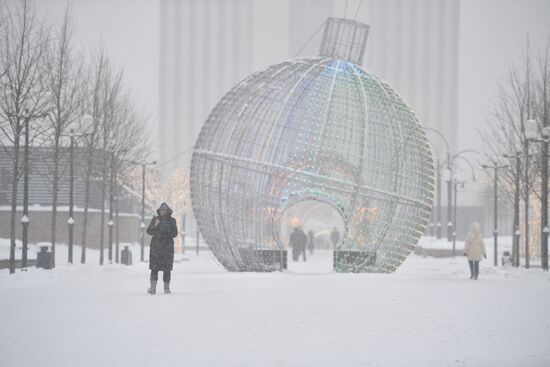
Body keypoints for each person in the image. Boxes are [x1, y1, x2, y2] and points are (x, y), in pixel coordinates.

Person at [146, 202, 178, 294]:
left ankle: (166, 289)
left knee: (167, 269)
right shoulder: (155, 219)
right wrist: (155, 225)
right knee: (154, 268)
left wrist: (166, 231)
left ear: (167, 211)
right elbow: (149, 231)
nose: (162, 212)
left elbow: (175, 233)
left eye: (164, 210)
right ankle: (152, 288)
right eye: (161, 210)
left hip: (167, 248)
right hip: (156, 248)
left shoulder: (172, 221)